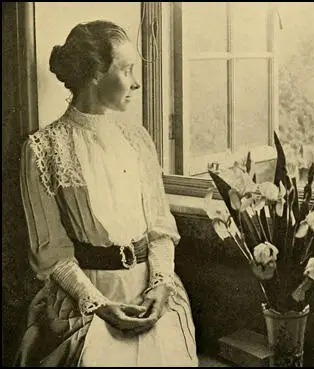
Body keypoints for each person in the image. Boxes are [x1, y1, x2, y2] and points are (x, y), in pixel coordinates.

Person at [15, 20, 198, 367]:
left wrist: (160, 285)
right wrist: (99, 305)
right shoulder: (42, 149)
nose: (137, 82)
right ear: (96, 73)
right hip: (86, 299)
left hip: (150, 296)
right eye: (127, 70)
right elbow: (51, 253)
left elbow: (160, 228)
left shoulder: (138, 139)